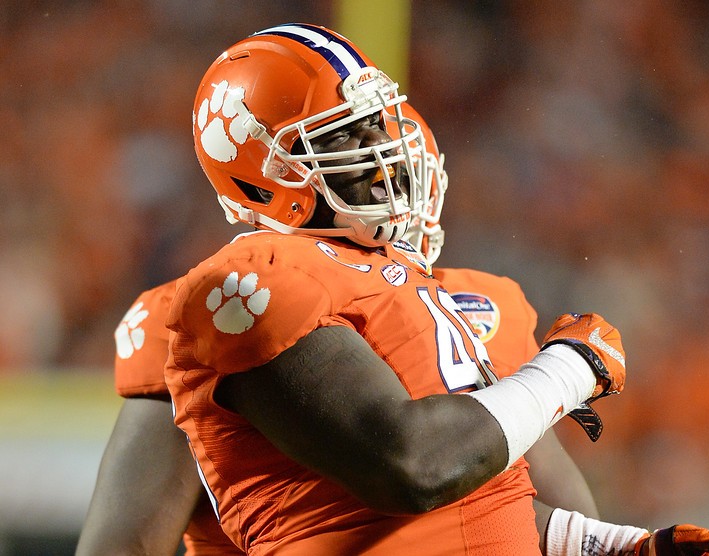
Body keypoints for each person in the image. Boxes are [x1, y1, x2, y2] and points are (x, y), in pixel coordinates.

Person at [76, 107, 601, 556]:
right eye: (364, 155)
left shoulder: (484, 303)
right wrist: (569, 369)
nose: (388, 181)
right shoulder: (235, 300)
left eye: (397, 163)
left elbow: (536, 510)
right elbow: (124, 546)